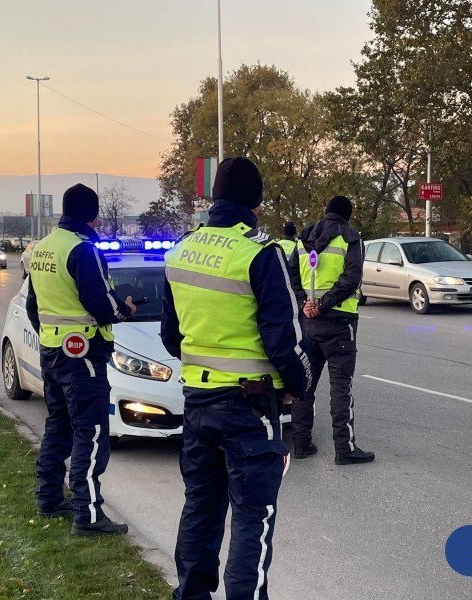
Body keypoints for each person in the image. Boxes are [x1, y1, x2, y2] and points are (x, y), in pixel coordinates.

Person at [162, 157, 310, 600]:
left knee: (201, 510)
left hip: (198, 403)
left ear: (214, 198)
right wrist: (297, 387)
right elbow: (285, 339)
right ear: (257, 203)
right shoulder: (260, 253)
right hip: (249, 408)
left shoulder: (180, 251)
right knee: (253, 519)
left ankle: (191, 594)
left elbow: (172, 337)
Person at [26, 183, 136, 536]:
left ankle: (48, 498)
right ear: (92, 214)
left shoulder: (43, 248)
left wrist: (51, 335)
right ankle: (87, 515)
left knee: (59, 426)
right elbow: (102, 306)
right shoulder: (83, 250)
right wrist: (126, 308)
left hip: (52, 353)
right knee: (91, 432)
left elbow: (33, 306)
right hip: (85, 355)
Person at [288, 195, 375, 465]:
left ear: (326, 212)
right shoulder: (350, 237)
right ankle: (344, 449)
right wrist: (324, 305)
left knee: (305, 386)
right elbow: (351, 279)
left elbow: (291, 276)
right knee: (341, 387)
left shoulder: (303, 238)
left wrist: (306, 303)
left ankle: (301, 444)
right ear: (346, 215)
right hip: (339, 324)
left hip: (309, 324)